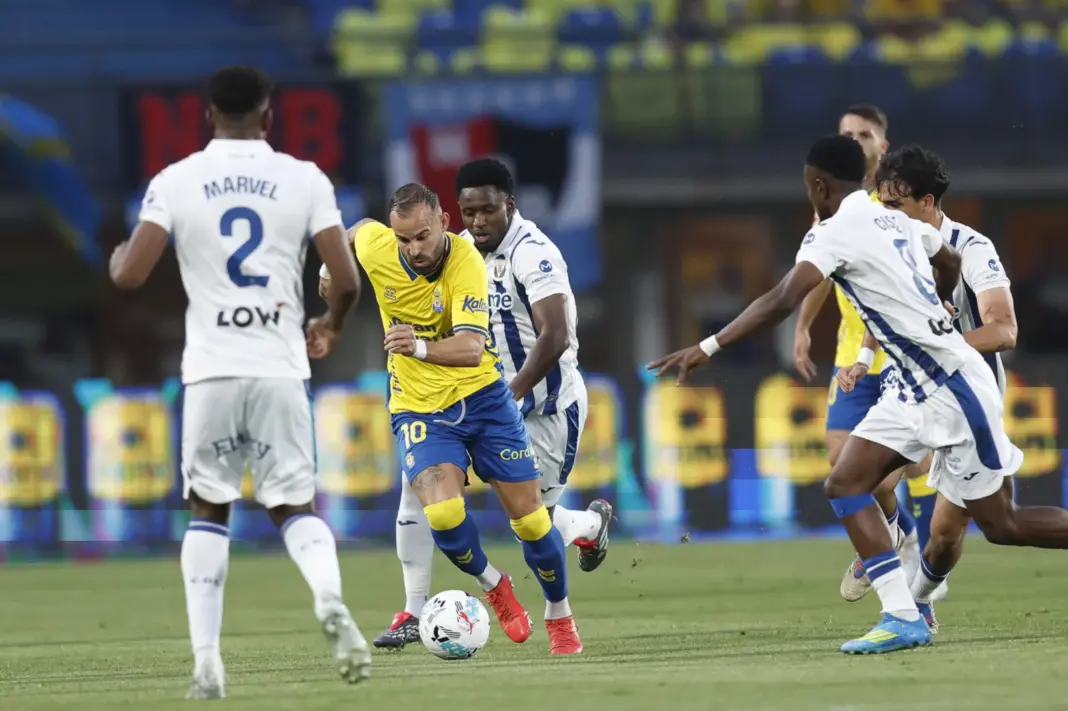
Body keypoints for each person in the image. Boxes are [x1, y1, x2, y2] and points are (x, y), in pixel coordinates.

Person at [649, 134, 1018, 654]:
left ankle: (903, 603)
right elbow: (947, 260)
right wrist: (938, 310)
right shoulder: (897, 219)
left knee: (1003, 524)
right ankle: (902, 613)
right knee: (847, 481)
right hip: (919, 381)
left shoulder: (833, 231)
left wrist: (707, 345)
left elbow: (781, 298)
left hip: (948, 384)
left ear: (817, 186)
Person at [108, 66, 370, 697]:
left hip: (212, 370)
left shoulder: (175, 181)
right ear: (269, 116)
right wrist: (330, 324)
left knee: (208, 508)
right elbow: (349, 279)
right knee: (293, 504)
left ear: (208, 117)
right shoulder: (304, 179)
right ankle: (329, 598)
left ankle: (208, 664)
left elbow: (130, 275)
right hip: (279, 365)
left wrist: (120, 255)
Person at [360, 159, 612, 650]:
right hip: (448, 402)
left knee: (534, 519)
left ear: (509, 205)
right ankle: (415, 610)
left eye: (487, 210)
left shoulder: (532, 253)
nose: (478, 221)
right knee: (425, 497)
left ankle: (573, 573)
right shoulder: (450, 248)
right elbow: (360, 235)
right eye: (469, 211)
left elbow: (555, 335)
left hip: (543, 407)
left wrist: (511, 393)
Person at [837, 144, 1019, 630]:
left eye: (895, 205)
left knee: (949, 535)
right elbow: (889, 310)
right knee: (861, 475)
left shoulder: (973, 248)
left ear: (928, 203)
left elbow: (1004, 330)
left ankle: (916, 601)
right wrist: (862, 358)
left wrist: (944, 343)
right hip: (910, 389)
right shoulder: (895, 242)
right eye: (881, 203)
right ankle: (893, 545)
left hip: (962, 397)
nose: (886, 214)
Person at [791, 105, 923, 602]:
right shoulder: (832, 202)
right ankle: (895, 536)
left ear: (882, 145)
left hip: (901, 354)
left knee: (896, 470)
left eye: (864, 134)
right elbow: (818, 270)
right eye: (846, 133)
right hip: (854, 354)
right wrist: (803, 327)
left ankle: (915, 560)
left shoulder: (894, 200)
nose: (855, 140)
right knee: (842, 461)